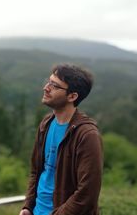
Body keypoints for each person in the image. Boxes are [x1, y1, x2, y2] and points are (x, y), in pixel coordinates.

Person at [20, 64, 103, 215]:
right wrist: (28, 206)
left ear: (72, 96)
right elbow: (36, 171)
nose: (46, 87)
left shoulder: (87, 135)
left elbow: (87, 193)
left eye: (55, 85)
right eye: (48, 81)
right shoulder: (46, 124)